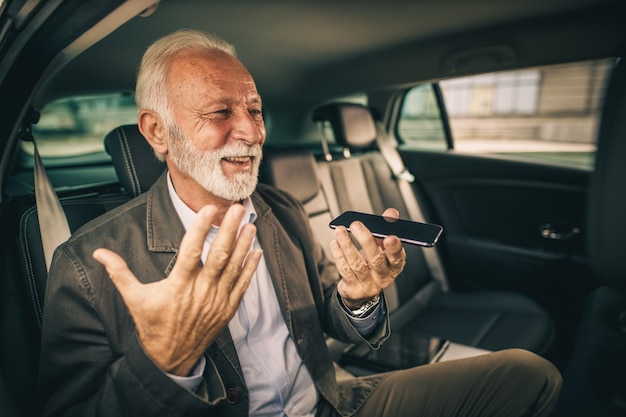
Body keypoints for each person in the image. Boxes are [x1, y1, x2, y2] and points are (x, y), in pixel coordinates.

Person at [38, 29, 562, 417]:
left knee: (529, 376)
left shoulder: (280, 210)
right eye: (220, 112)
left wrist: (357, 296)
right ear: (157, 132)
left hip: (335, 401)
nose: (250, 131)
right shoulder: (89, 264)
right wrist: (166, 363)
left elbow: (326, 321)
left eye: (256, 109)